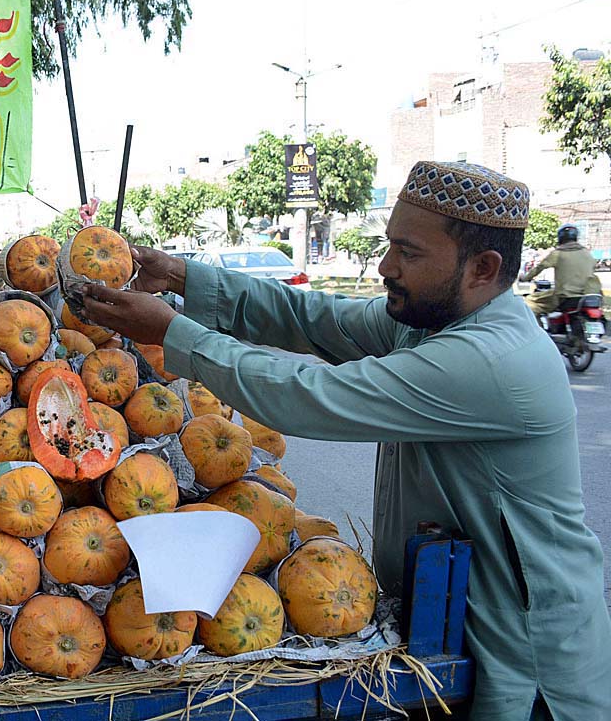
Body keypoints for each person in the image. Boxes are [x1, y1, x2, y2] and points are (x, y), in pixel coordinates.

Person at [79, 161, 610, 720]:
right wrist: (186, 277)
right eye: (389, 245)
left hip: (524, 659)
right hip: (447, 625)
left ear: (483, 267)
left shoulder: (494, 361)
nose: (386, 266)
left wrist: (172, 332)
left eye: (409, 252)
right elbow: (312, 318)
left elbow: (308, 394)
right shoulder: (433, 323)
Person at [521, 224, 602, 317]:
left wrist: (525, 278)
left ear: (560, 238)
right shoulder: (587, 253)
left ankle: (537, 330)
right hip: (589, 296)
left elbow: (539, 268)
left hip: (564, 297)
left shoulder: (558, 253)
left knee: (528, 302)